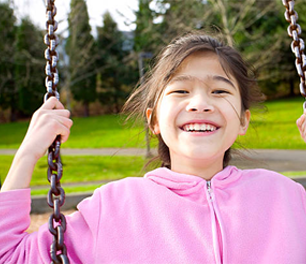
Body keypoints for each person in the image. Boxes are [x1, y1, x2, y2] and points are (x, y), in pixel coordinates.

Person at [1, 32, 306, 264]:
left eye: (219, 90)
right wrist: (28, 152)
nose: (200, 103)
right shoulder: (114, 208)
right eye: (181, 90)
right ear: (154, 120)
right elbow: (10, 256)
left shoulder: (286, 197)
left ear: (243, 120)